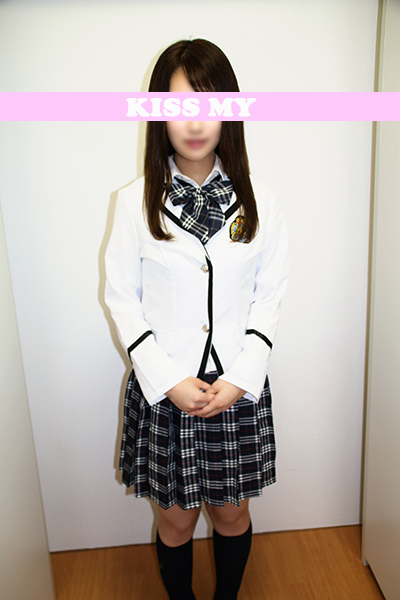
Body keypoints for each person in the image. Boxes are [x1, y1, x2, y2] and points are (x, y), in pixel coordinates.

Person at [105, 38, 289, 600]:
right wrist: (169, 381)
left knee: (232, 515)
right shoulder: (133, 202)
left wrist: (241, 378)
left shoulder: (262, 201)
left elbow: (270, 296)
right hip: (166, 389)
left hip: (237, 385)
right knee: (177, 520)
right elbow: (121, 299)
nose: (193, 122)